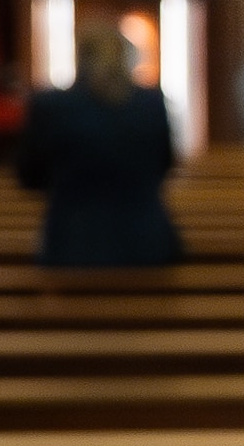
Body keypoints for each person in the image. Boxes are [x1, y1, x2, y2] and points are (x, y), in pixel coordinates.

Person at [16, 30, 184, 268]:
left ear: (80, 58)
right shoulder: (151, 105)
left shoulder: (51, 106)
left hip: (73, 243)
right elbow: (164, 166)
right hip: (146, 243)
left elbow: (29, 177)